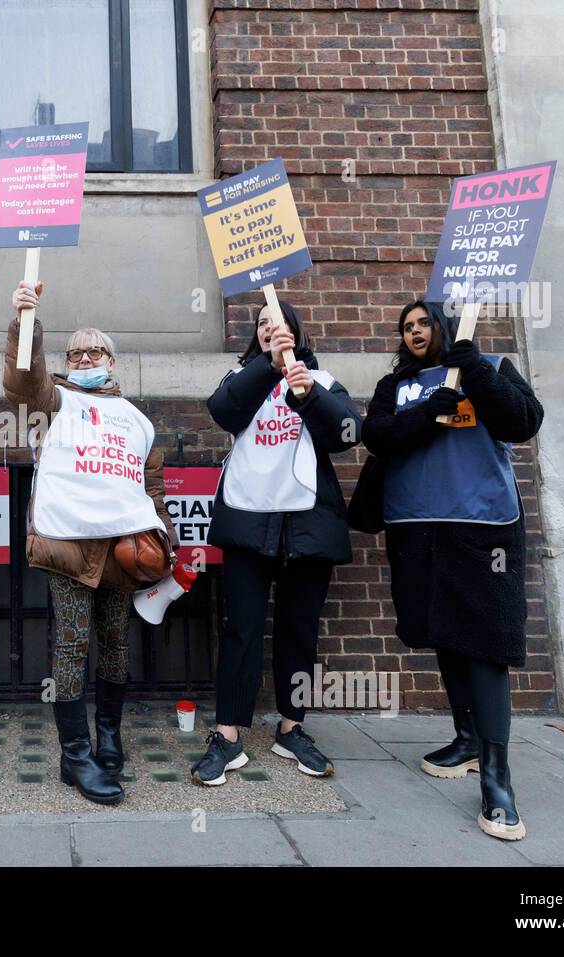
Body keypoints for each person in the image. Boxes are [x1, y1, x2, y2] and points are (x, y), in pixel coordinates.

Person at [362, 299, 543, 840]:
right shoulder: (395, 384)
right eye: (407, 327)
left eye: (424, 323)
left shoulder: (490, 368)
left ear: (443, 325)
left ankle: (497, 782)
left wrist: (477, 372)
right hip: (416, 525)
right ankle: (466, 739)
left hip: (482, 527)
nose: (416, 332)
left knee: (485, 645)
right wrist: (429, 407)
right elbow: (378, 437)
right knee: (443, 633)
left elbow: (523, 421)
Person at [4, 281, 178, 806]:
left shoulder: (138, 421)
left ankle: (108, 736)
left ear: (112, 360)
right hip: (70, 545)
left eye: (94, 350)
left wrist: (168, 540)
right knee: (72, 644)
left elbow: (152, 491)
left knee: (116, 645)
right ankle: (75, 753)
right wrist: (24, 322)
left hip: (125, 549)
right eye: (75, 351)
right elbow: (21, 381)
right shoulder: (53, 400)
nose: (84, 357)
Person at [192, 299, 361, 786]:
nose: (269, 328)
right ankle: (228, 736)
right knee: (241, 628)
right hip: (249, 523)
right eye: (262, 324)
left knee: (299, 630)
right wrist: (268, 367)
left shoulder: (323, 381)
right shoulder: (240, 374)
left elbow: (347, 433)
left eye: (278, 323)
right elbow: (224, 412)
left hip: (307, 525)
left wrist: (308, 393)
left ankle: (292, 728)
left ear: (297, 332)